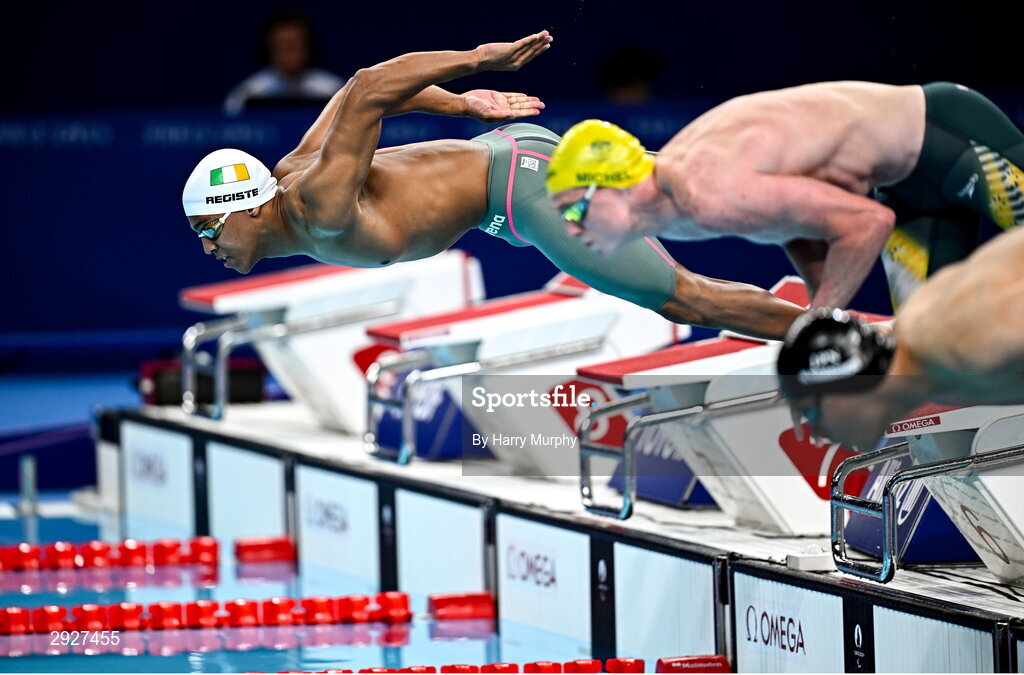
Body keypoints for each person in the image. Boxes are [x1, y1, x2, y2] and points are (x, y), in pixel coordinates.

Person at [182, 32, 803, 341]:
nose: (208, 246)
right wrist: (462, 107)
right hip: (509, 162)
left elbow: (372, 84)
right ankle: (842, 185)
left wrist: (481, 58)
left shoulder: (319, 202)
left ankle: (860, 344)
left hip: (526, 189)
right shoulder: (294, 169)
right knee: (696, 188)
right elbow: (354, 93)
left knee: (682, 299)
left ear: (248, 206)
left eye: (207, 229)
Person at [546, 82, 1024, 310]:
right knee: (929, 343)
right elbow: (796, 227)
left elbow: (866, 225)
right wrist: (826, 325)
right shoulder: (672, 211)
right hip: (907, 186)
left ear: (613, 187)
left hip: (950, 135)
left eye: (574, 207)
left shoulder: (705, 190)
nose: (569, 227)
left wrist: (817, 326)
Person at [776, 226, 1024, 450]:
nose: (818, 434)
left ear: (844, 380)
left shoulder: (961, 340)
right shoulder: (927, 365)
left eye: (812, 413)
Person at [224, 9, 345, 116]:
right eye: (282, 44)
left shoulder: (334, 90)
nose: (289, 51)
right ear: (268, 48)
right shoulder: (247, 94)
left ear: (309, 46)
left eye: (295, 44)